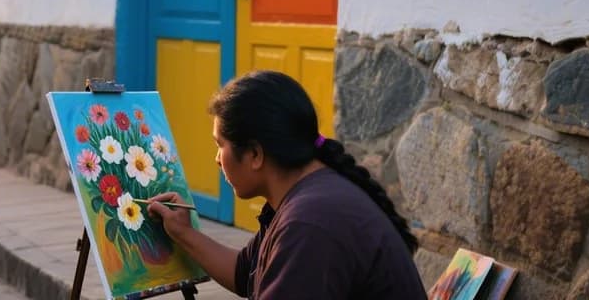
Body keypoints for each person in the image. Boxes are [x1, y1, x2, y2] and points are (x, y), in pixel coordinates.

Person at [148, 70, 426, 299]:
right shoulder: (309, 194)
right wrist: (183, 233)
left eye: (220, 145)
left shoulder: (309, 223)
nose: (217, 159)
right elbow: (245, 273)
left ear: (255, 154)